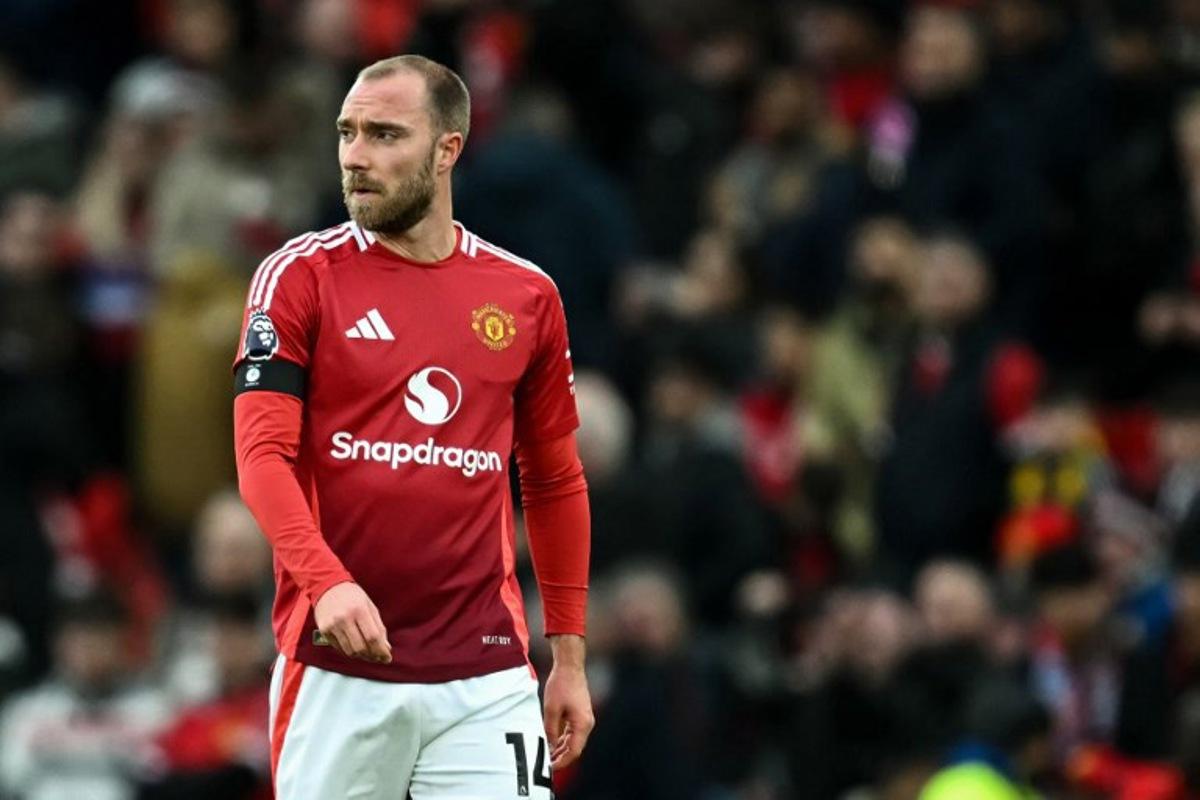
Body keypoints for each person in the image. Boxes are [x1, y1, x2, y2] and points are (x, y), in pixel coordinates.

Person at [232, 55, 593, 799]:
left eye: (385, 135)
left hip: (486, 672)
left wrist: (569, 656)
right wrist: (327, 585)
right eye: (347, 134)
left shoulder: (525, 296)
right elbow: (262, 456)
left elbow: (554, 479)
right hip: (339, 665)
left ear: (447, 149)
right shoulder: (299, 278)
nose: (356, 157)